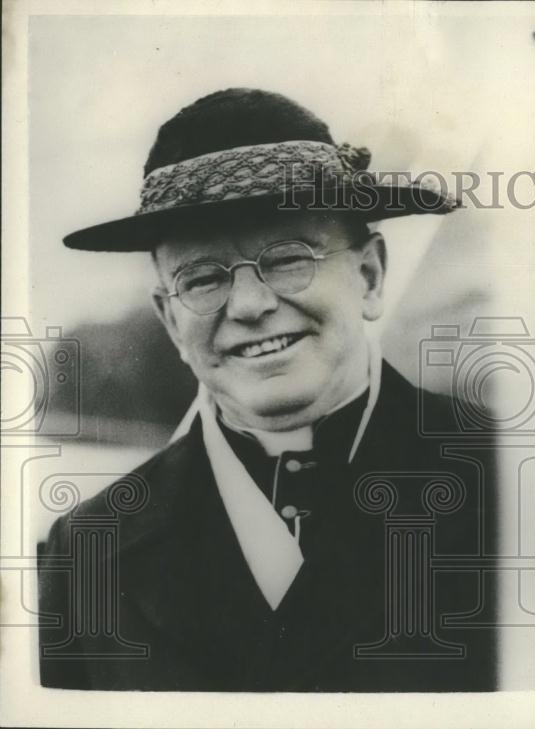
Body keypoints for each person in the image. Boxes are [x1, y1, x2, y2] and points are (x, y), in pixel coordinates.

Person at [38, 88, 498, 691]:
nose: (251, 306)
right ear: (171, 319)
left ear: (369, 274)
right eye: (202, 278)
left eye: (287, 259)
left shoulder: (515, 484)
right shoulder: (88, 555)